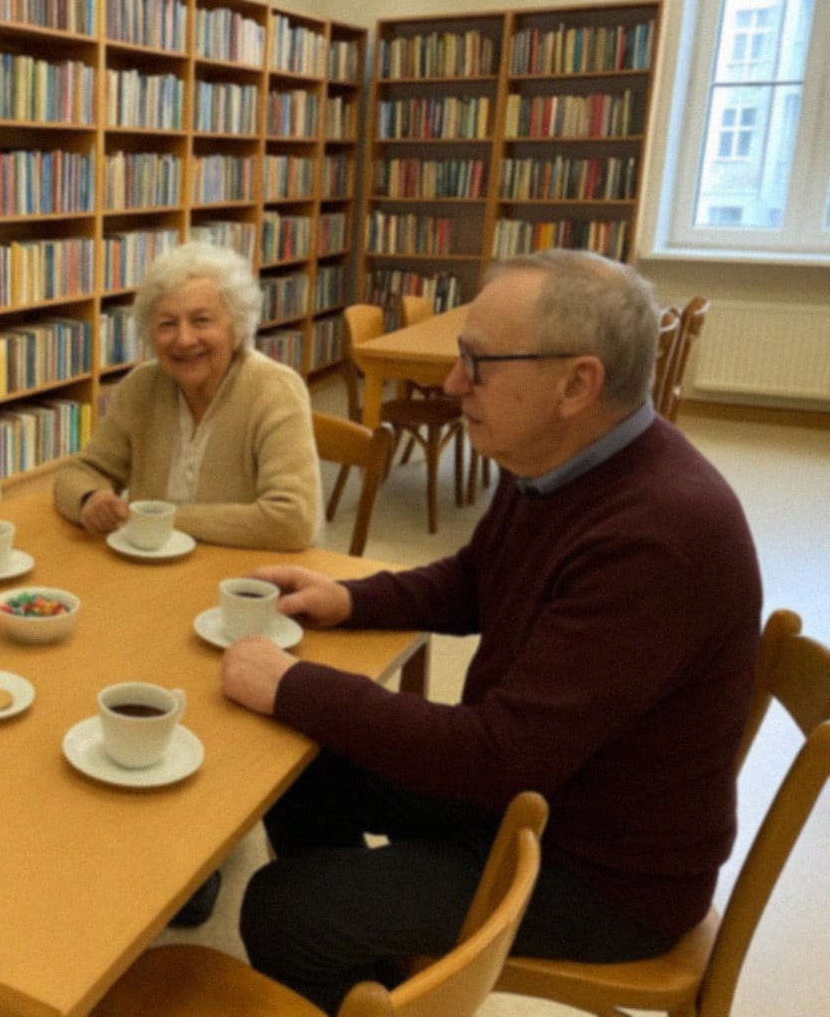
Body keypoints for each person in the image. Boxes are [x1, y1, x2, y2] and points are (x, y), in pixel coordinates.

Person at [220, 250, 762, 1013]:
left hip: (606, 872)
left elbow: (496, 757)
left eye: (478, 362)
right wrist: (350, 599)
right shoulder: (560, 460)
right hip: (543, 791)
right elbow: (476, 579)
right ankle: (385, 968)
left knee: (282, 906)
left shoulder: (660, 535)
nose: (451, 384)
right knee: (299, 761)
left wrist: (294, 683)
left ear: (578, 384)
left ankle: (370, 968)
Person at [52, 240, 321, 551]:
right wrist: (90, 498)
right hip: (152, 568)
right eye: (167, 324)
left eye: (201, 320)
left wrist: (158, 519)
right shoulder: (141, 386)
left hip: (245, 577)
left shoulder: (275, 390)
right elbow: (79, 472)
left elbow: (292, 521)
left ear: (236, 327)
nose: (184, 339)